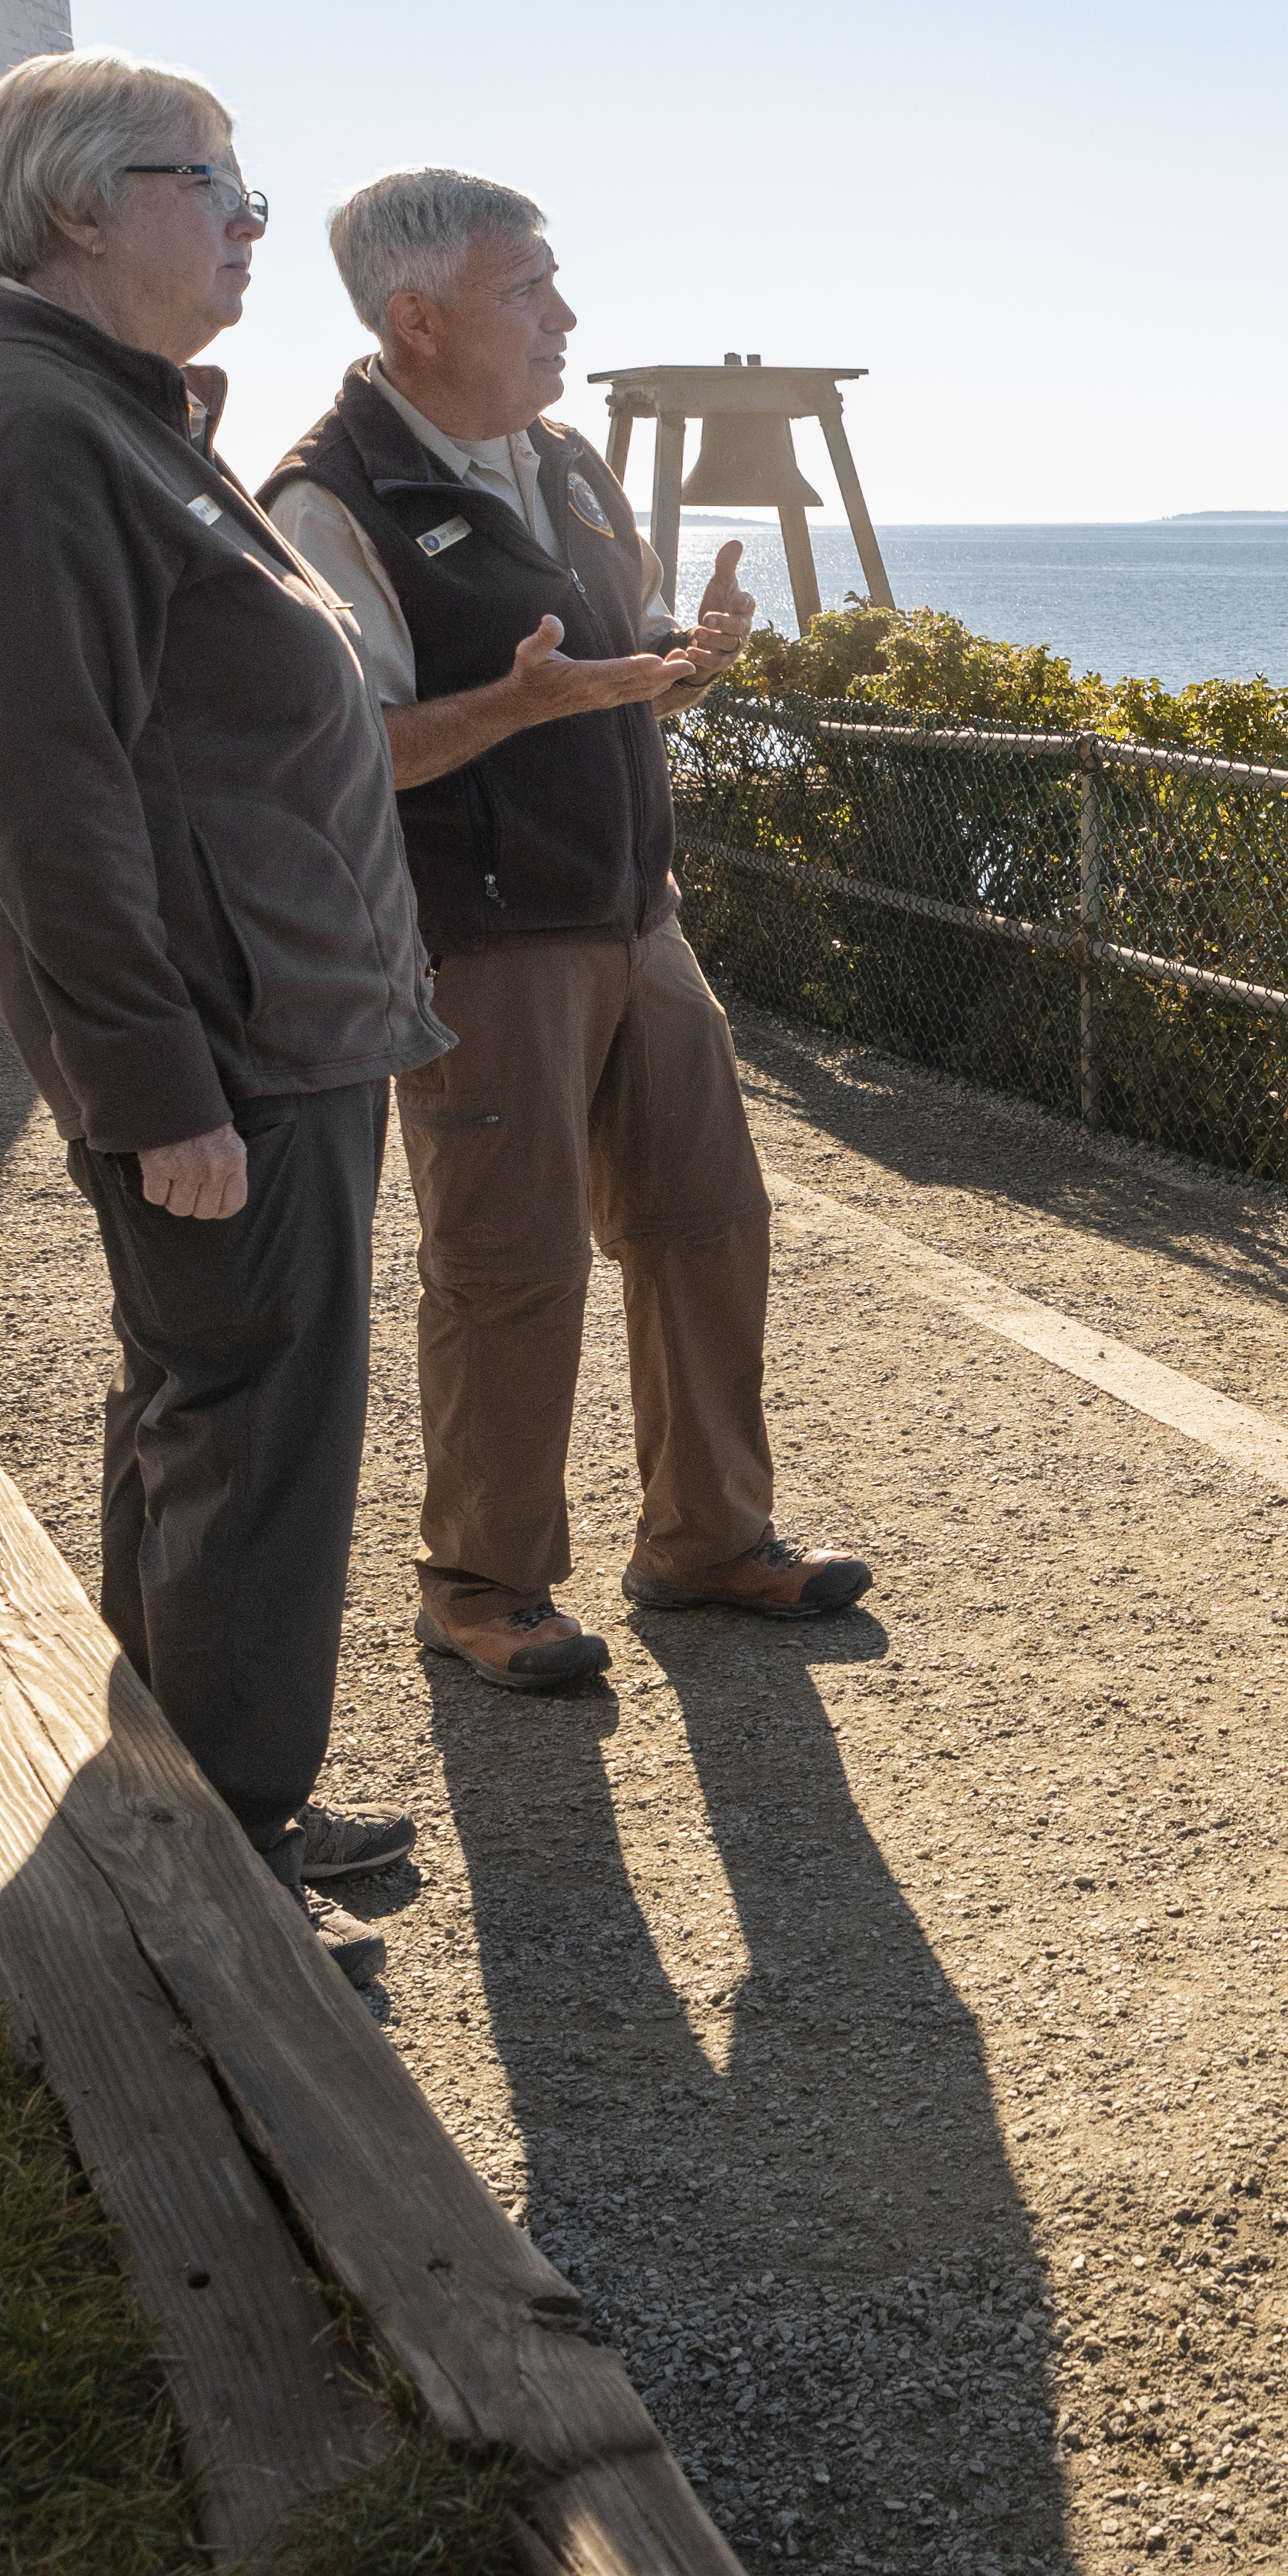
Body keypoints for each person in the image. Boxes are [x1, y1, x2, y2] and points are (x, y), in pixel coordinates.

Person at [0, 51, 450, 1990]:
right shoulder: (35, 431)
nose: (246, 222)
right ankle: (220, 1887)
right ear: (73, 206)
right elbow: (51, 797)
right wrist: (156, 1083)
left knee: (207, 1418)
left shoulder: (107, 412)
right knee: (252, 1441)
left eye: (245, 185)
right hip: (230, 1041)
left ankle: (193, 1807)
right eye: (204, 181)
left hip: (273, 1020)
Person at [261, 170, 872, 1696]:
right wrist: (517, 707)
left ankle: (707, 1539)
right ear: (417, 317)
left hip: (631, 908)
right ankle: (480, 1583)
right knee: (510, 1262)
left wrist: (690, 660)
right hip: (475, 931)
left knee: (711, 1225)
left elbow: (619, 668)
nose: (568, 318)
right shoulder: (324, 501)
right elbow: (349, 751)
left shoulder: (574, 466)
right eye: (531, 289)